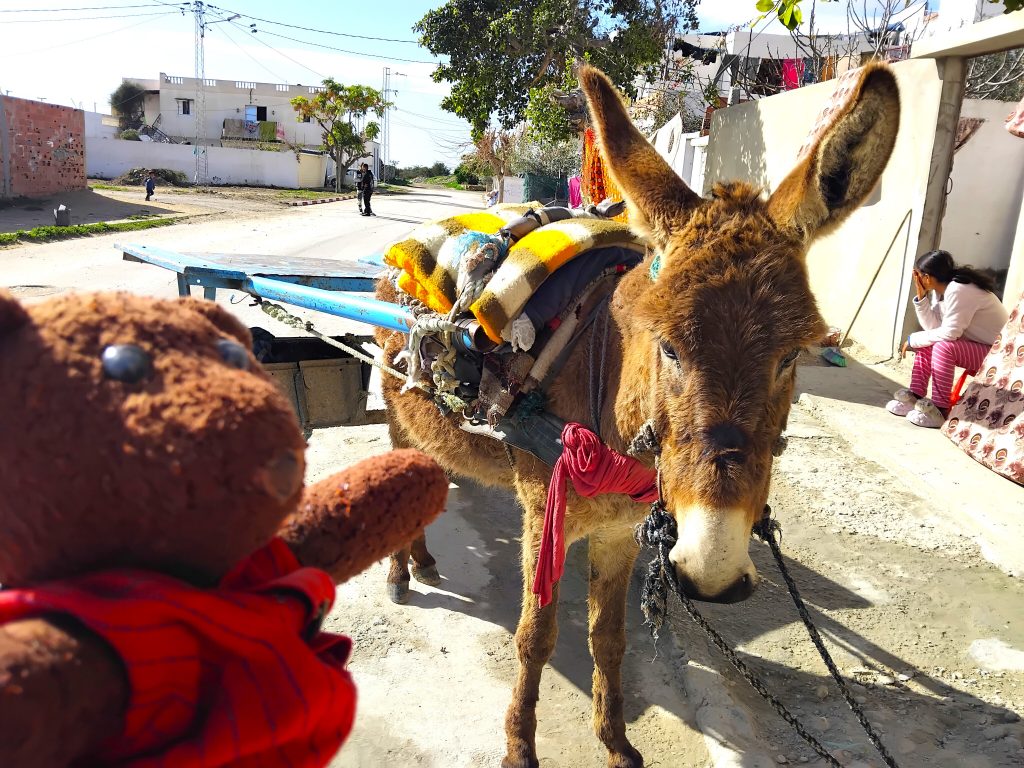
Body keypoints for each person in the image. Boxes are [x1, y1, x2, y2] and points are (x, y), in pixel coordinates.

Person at [886, 249, 1008, 428]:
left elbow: (950, 334)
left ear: (927, 277)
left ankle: (940, 409)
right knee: (929, 342)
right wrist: (921, 298)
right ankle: (915, 396)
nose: (917, 280)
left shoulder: (959, 289)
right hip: (980, 347)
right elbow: (934, 328)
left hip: (999, 354)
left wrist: (913, 340)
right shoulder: (943, 290)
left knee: (943, 347)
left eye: (918, 276)